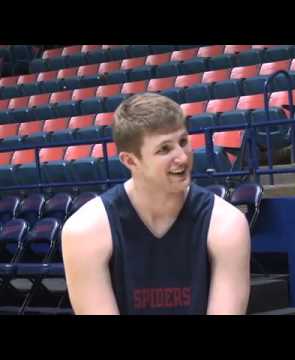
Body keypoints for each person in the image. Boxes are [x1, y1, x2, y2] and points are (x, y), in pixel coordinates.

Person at [62, 93, 251, 315]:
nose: (182, 157)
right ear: (130, 160)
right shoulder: (85, 231)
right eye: (164, 149)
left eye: (183, 142)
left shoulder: (226, 223)